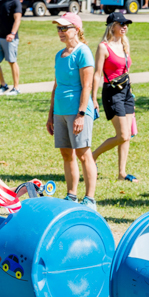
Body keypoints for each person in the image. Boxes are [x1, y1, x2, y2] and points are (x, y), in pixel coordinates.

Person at [46, 12, 98, 210]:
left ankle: (90, 198)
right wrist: (51, 114)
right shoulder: (59, 55)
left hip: (78, 112)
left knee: (84, 154)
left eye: (64, 28)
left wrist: (81, 114)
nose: (60, 32)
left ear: (76, 30)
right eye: (58, 28)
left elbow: (87, 86)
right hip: (60, 111)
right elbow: (56, 85)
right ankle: (71, 195)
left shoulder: (83, 52)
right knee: (67, 155)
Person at [92, 12, 138, 183]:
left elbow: (126, 70)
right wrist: (94, 98)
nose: (125, 26)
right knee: (123, 135)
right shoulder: (103, 47)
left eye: (126, 24)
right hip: (112, 93)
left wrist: (130, 92)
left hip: (126, 91)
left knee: (127, 136)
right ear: (112, 26)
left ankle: (122, 173)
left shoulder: (125, 44)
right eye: (121, 24)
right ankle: (92, 156)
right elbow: (97, 74)